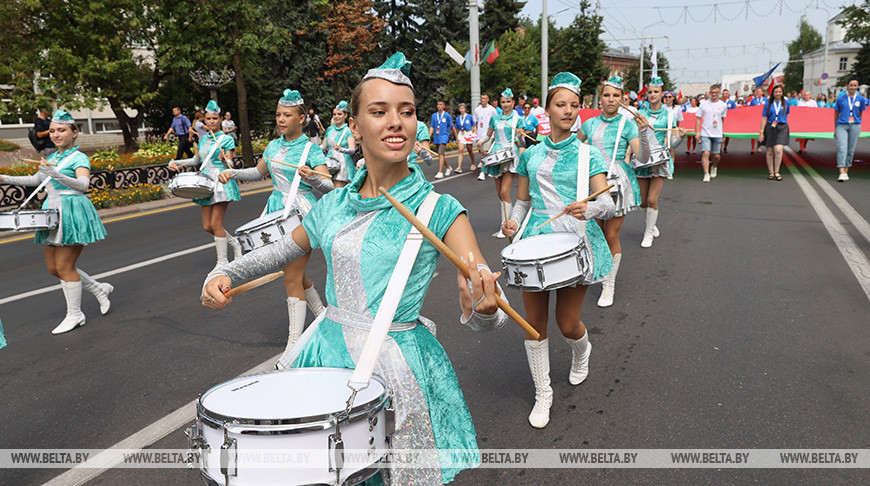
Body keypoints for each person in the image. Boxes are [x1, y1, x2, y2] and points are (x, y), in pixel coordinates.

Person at [201, 52, 507, 485]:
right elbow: (281, 250)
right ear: (356, 127)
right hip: (324, 354)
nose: (395, 122)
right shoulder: (333, 205)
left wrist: (484, 306)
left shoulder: (439, 209)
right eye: (379, 111)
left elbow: (485, 308)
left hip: (396, 366)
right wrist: (226, 274)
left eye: (406, 112)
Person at [501, 72, 615, 428]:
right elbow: (521, 204)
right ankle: (543, 393)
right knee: (534, 325)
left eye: (574, 105)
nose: (568, 111)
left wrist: (590, 208)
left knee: (567, 324)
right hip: (537, 243)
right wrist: (512, 225)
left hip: (575, 242)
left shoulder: (588, 154)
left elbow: (608, 202)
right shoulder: (530, 156)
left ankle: (582, 352)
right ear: (546, 109)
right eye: (560, 104)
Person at [219, 89, 332, 366]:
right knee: (295, 273)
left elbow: (329, 187)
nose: (281, 119)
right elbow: (259, 172)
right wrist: (233, 172)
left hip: (300, 214)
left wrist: (313, 178)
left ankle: (294, 346)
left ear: (302, 118)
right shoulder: (273, 146)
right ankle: (324, 320)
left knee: (291, 277)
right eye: (279, 114)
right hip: (275, 213)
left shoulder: (310, 149)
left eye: (287, 115)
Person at [0, 110, 111, 335]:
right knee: (54, 269)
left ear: (74, 132)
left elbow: (83, 185)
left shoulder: (79, 158)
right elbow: (36, 180)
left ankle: (75, 314)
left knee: (64, 267)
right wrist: (4, 179)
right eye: (53, 131)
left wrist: (55, 174)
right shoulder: (51, 157)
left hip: (72, 212)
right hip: (51, 212)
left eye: (62, 130)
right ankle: (99, 289)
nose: (56, 135)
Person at [577, 76, 650, 307]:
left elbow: (643, 157)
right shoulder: (589, 124)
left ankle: (609, 285)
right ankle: (597, 270)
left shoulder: (628, 125)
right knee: (594, 234)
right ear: (601, 98)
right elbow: (575, 149)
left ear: (622, 99)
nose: (611, 99)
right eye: (607, 95)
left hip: (618, 182)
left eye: (616, 95)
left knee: (611, 235)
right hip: (593, 181)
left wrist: (645, 133)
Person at [169, 100, 243, 269]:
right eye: (208, 118)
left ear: (220, 119)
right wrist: (176, 162)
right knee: (207, 226)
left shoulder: (226, 140)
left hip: (221, 181)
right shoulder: (202, 140)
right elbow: (196, 160)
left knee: (216, 224)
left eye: (215, 118)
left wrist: (225, 158)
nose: (211, 121)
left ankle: (222, 262)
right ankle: (235, 243)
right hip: (205, 183)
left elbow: (230, 163)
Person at [637, 78, 687, 248]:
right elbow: (634, 138)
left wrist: (680, 137)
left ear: (662, 94)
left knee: (652, 200)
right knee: (642, 202)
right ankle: (652, 224)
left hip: (659, 161)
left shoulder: (669, 116)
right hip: (642, 160)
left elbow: (671, 144)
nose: (652, 95)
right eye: (650, 92)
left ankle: (648, 232)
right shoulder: (640, 114)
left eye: (656, 91)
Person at [480, 88, 525, 238]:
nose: (505, 104)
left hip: (510, 154)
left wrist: (520, 134)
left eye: (508, 102)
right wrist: (481, 141)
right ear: (500, 103)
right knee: (500, 194)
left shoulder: (518, 118)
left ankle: (506, 225)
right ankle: (508, 222)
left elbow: (522, 140)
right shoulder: (495, 118)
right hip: (496, 155)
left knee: (505, 192)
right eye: (503, 102)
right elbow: (488, 136)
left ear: (513, 102)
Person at [834, 79, 866, 182]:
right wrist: (835, 127)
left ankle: (846, 171)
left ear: (857, 87)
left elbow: (860, 112)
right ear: (847, 86)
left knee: (850, 149)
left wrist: (858, 121)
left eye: (855, 85)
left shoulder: (861, 99)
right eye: (851, 85)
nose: (852, 87)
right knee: (842, 147)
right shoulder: (841, 98)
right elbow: (836, 113)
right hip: (842, 125)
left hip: (855, 125)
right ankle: (841, 171)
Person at [695, 84, 727, 182]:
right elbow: (698, 118)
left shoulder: (723, 105)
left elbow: (722, 119)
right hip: (705, 132)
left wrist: (723, 132)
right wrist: (697, 132)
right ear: (709, 93)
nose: (713, 94)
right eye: (712, 92)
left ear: (719, 93)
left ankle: (714, 166)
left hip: (717, 133)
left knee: (716, 155)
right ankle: (706, 173)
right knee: (705, 152)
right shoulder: (703, 104)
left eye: (715, 93)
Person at [757, 84, 790, 181]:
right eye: (776, 92)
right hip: (770, 127)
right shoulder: (768, 103)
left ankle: (777, 171)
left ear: (782, 93)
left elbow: (787, 115)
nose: (778, 94)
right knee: (770, 150)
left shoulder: (786, 103)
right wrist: (761, 132)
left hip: (782, 127)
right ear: (773, 93)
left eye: (780, 92)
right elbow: (764, 118)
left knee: (778, 149)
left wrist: (781, 121)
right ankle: (771, 172)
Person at [322, 101, 357, 188]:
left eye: (339, 114)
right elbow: (323, 146)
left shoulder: (348, 130)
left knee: (337, 190)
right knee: (328, 189)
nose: (336, 116)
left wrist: (341, 149)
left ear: (345, 115)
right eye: (334, 114)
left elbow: (352, 150)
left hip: (343, 163)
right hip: (329, 162)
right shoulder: (329, 129)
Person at [474, 93, 498, 180]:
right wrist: (476, 133)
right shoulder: (477, 110)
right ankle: (491, 169)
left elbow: (496, 121)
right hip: (480, 135)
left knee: (485, 153)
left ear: (488, 100)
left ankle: (482, 173)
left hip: (488, 135)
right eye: (481, 98)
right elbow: (476, 122)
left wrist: (495, 133)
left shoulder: (492, 109)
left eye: (484, 98)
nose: (482, 100)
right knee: (482, 153)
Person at [430, 100, 455, 178]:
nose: (439, 106)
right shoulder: (434, 116)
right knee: (440, 154)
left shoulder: (447, 115)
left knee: (441, 153)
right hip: (437, 137)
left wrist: (457, 138)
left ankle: (440, 172)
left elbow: (452, 127)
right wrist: (428, 137)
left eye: (440, 104)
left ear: (444, 106)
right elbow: (432, 127)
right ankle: (448, 167)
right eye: (438, 104)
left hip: (444, 136)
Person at [663, 91, 685, 164]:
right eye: (666, 97)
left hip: (673, 131)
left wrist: (677, 130)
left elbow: (679, 120)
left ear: (673, 98)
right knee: (663, 151)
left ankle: (671, 171)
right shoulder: (662, 107)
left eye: (669, 97)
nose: (668, 98)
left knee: (672, 152)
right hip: (664, 131)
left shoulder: (677, 108)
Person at [454, 103, 476, 170]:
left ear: (465, 109)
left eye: (462, 108)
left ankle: (473, 163)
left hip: (468, 133)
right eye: (460, 108)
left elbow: (473, 125)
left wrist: (472, 133)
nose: (461, 110)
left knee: (470, 150)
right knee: (460, 150)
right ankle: (459, 167)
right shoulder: (458, 118)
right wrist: (457, 138)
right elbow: (457, 129)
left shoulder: (469, 116)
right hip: (461, 134)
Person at [747, 87, 767, 154]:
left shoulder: (766, 100)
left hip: (763, 119)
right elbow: (750, 109)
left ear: (762, 92)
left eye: (759, 91)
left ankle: (759, 146)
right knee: (753, 133)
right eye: (757, 91)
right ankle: (752, 148)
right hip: (754, 119)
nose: (758, 93)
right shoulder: (753, 100)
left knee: (761, 133)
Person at [721, 89, 737, 153]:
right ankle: (720, 147)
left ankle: (725, 147)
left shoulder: (731, 102)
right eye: (723, 94)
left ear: (728, 94)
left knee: (727, 135)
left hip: (728, 120)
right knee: (720, 134)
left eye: (726, 93)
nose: (725, 95)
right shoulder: (720, 102)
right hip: (721, 119)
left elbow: (735, 111)